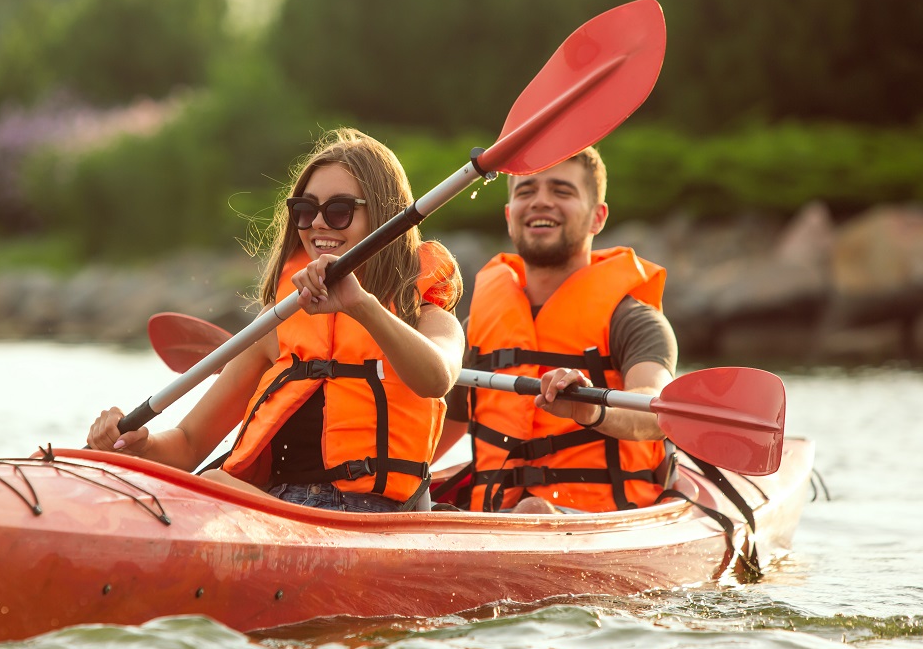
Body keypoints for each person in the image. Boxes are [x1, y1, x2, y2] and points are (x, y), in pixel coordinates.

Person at [87, 128, 465, 512]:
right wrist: (139, 445)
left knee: (214, 484)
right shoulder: (277, 324)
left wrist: (360, 304)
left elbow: (436, 379)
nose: (317, 224)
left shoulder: (429, 318)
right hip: (281, 513)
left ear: (383, 215)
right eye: (305, 210)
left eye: (339, 211)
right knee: (204, 483)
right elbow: (188, 444)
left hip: (367, 520)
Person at [435, 145, 677, 514]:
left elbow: (657, 411)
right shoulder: (478, 327)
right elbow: (435, 437)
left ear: (598, 217)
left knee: (534, 511)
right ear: (509, 214)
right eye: (526, 191)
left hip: (602, 521)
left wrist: (591, 409)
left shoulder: (633, 320)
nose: (541, 202)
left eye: (561, 191)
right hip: (494, 520)